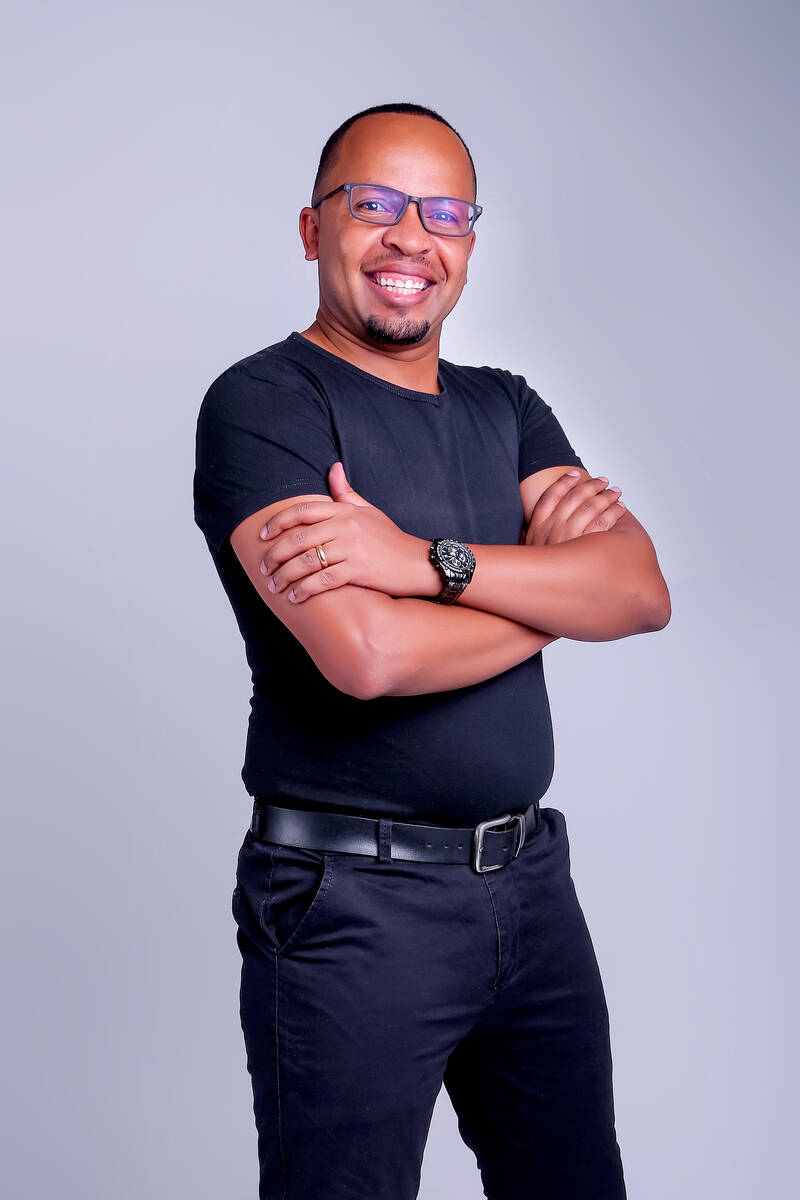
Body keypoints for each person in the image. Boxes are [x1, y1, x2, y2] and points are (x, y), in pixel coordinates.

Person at [193, 101, 670, 1200]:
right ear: (312, 229)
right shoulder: (265, 405)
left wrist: (420, 561)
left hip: (531, 891)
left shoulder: (509, 408)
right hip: (351, 906)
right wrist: (553, 593)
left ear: (468, 242)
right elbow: (367, 656)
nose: (412, 237)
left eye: (445, 212)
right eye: (375, 204)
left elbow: (639, 592)